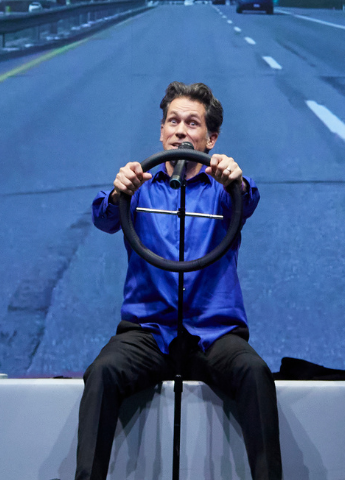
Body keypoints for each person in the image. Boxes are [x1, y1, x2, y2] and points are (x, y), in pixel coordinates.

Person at [79, 82, 277, 479]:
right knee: (102, 372)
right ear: (161, 132)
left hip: (213, 334)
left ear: (210, 138)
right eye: (173, 121)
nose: (181, 130)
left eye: (193, 123)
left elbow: (249, 199)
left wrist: (235, 179)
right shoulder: (138, 188)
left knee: (256, 374)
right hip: (149, 332)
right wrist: (119, 190)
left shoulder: (224, 194)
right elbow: (102, 218)